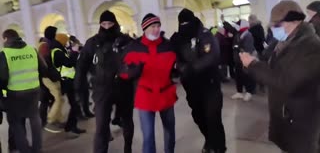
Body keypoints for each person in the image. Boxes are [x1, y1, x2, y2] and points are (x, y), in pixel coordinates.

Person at [240, 0, 320, 153]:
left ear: (294, 22)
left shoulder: (312, 47)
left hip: (301, 121)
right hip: (286, 116)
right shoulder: (284, 41)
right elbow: (269, 66)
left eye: (277, 25)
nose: (273, 29)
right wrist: (251, 63)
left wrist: (253, 65)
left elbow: (287, 81)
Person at [74, 10, 134, 153]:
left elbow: (137, 61)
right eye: (104, 24)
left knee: (127, 121)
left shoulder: (125, 41)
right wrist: (78, 85)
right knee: (101, 125)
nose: (107, 27)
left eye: (110, 23)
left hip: (124, 87)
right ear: (100, 24)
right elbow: (82, 65)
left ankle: (128, 149)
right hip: (102, 89)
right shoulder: (93, 43)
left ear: (115, 23)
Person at [171, 9, 226, 153]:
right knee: (198, 116)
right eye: (182, 23)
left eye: (187, 23)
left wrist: (191, 68)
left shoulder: (205, 34)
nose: (185, 26)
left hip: (210, 83)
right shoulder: (177, 39)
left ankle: (219, 148)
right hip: (191, 86)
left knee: (213, 117)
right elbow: (173, 57)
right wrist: (180, 67)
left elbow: (212, 56)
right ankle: (209, 140)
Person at [119, 13, 177, 153]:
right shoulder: (134, 47)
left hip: (166, 94)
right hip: (145, 95)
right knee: (148, 136)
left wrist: (181, 70)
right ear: (144, 28)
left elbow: (176, 66)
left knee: (170, 131)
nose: (156, 29)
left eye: (158, 26)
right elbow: (122, 71)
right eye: (152, 26)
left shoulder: (168, 46)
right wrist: (131, 72)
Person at [0, 29, 47, 153]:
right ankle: (37, 149)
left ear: (5, 39)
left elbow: (2, 77)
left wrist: (3, 94)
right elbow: (44, 68)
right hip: (34, 90)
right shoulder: (31, 50)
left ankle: (25, 149)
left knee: (16, 123)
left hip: (15, 93)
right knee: (35, 118)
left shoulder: (4, 53)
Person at [51, 33, 86, 138]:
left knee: (74, 104)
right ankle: (70, 126)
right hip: (66, 81)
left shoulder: (59, 50)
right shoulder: (58, 52)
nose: (67, 42)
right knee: (74, 104)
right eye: (65, 40)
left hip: (68, 80)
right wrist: (75, 52)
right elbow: (69, 63)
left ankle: (71, 126)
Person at [223, 18, 256, 101]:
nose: (236, 27)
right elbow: (230, 28)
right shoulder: (239, 33)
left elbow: (248, 49)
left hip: (245, 60)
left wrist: (238, 48)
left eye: (238, 25)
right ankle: (239, 92)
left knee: (247, 76)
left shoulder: (248, 35)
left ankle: (249, 92)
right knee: (239, 76)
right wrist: (224, 21)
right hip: (238, 60)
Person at [39, 26, 64, 132]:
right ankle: (50, 120)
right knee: (57, 98)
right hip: (48, 76)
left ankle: (57, 119)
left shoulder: (48, 44)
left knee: (59, 98)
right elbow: (45, 63)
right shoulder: (45, 45)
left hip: (52, 75)